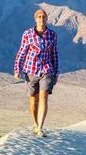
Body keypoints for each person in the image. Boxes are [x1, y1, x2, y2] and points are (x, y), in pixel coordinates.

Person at [14, 9, 59, 137]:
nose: (41, 18)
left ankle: (40, 128)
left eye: (43, 16)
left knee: (44, 98)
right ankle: (35, 123)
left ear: (47, 18)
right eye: (39, 16)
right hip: (31, 70)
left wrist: (56, 73)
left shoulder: (52, 35)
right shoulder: (28, 34)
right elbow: (22, 52)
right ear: (35, 19)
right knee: (34, 101)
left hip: (47, 70)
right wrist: (17, 69)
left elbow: (54, 54)